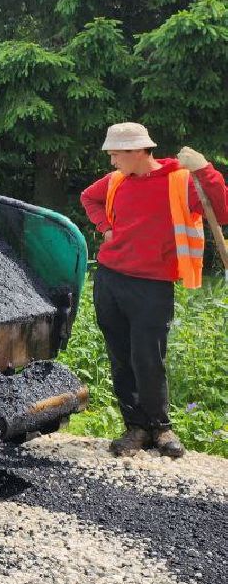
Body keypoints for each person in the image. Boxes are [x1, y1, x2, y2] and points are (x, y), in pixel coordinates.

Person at [80, 123, 227, 458]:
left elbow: (221, 211)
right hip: (110, 278)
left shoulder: (180, 180)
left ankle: (160, 427)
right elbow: (88, 198)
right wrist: (105, 228)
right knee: (120, 356)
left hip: (153, 284)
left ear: (136, 151)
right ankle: (135, 427)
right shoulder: (116, 181)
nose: (112, 161)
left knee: (148, 357)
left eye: (116, 154)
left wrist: (205, 170)